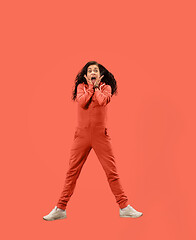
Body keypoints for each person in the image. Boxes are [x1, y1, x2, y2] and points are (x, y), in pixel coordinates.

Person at [43, 61, 143, 221]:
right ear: (86, 74)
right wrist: (90, 87)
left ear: (100, 73)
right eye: (89, 70)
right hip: (81, 136)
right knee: (72, 172)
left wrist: (96, 88)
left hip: (100, 137)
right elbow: (82, 102)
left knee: (112, 172)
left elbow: (102, 100)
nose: (92, 72)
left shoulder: (106, 88)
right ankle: (60, 208)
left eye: (95, 70)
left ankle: (124, 207)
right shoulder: (81, 88)